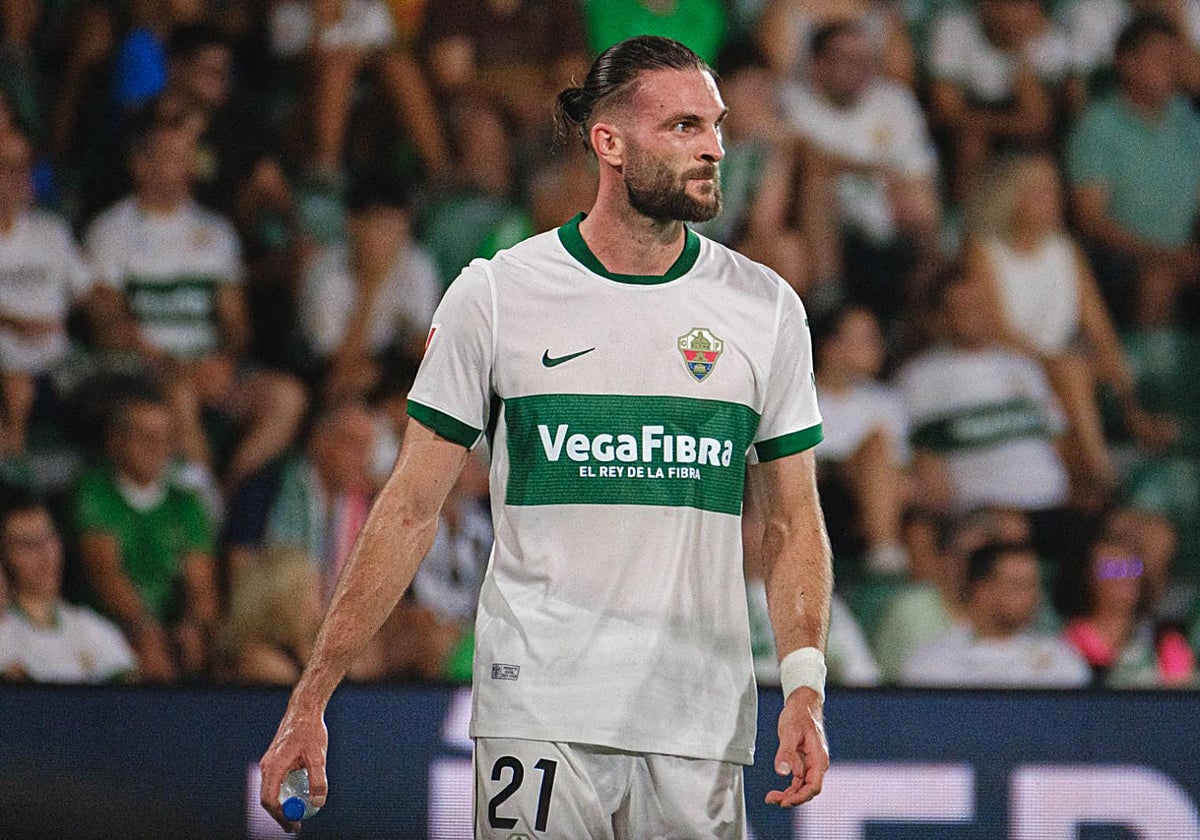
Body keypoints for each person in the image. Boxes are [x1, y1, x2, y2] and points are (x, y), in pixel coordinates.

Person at [260, 35, 833, 836]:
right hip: (540, 707)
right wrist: (311, 697)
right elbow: (407, 510)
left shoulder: (765, 308)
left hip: (698, 717)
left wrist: (804, 683)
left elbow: (790, 520)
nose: (713, 148)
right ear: (609, 142)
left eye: (716, 125)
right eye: (682, 127)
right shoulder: (497, 296)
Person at [963, 153, 1176, 493]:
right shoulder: (984, 251)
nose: (1056, 200)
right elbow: (996, 329)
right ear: (1014, 198)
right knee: (1070, 370)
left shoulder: (1066, 251)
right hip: (1007, 366)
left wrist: (1130, 405)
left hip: (1066, 368)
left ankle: (1116, 445)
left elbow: (1100, 330)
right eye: (1042, 191)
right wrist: (1053, 364)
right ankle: (1102, 478)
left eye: (1055, 190)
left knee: (1081, 368)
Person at [73, 391, 219, 681]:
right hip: (110, 623)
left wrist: (194, 624)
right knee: (148, 653)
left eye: (163, 438)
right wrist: (145, 627)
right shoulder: (93, 492)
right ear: (116, 441)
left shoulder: (186, 502)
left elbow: (201, 584)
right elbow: (106, 574)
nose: (155, 447)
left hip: (170, 623)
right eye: (144, 436)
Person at [1066, 13, 1200, 328]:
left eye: (1175, 59)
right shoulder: (1099, 125)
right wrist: (1161, 254)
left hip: (1183, 250)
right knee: (1159, 280)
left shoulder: (1187, 120)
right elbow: (1090, 218)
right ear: (1128, 63)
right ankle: (1151, 373)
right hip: (1121, 257)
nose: (1172, 68)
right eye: (1161, 59)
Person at [901, 541, 1091, 687]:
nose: (1034, 597)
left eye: (1035, 586)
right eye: (1020, 586)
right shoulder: (932, 663)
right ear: (983, 591)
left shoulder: (1060, 659)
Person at [0, 486, 138, 683]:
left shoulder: (90, 627)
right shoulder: (4, 636)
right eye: (28, 544)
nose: (45, 554)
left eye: (49, 537)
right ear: (4, 555)